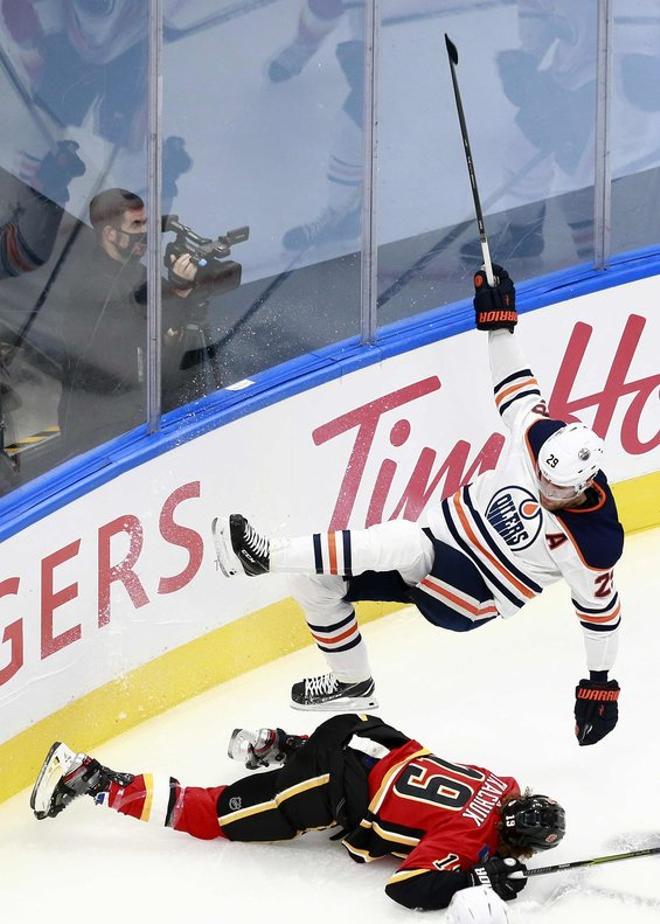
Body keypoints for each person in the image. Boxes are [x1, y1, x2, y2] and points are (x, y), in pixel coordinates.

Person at [212, 265, 624, 746]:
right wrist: (500, 325)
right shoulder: (538, 439)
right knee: (316, 583)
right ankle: (351, 683)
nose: (545, 490)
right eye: (543, 479)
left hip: (473, 595)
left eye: (557, 490)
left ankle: (261, 556)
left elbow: (601, 617)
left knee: (407, 545)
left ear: (585, 482)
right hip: (440, 547)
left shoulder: (593, 542)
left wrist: (600, 685)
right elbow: (515, 385)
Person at [30, 712, 565, 916]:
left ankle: (279, 743)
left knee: (357, 774)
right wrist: (477, 873)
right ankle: (88, 778)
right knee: (213, 814)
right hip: (325, 788)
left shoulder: (503, 784)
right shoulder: (467, 840)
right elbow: (406, 888)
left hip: (361, 737)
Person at [57, 187, 212, 459]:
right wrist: (177, 294)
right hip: (98, 430)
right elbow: (138, 334)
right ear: (110, 234)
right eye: (136, 225)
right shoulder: (92, 286)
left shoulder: (136, 272)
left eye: (146, 223)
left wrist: (183, 290)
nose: (145, 232)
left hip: (134, 410)